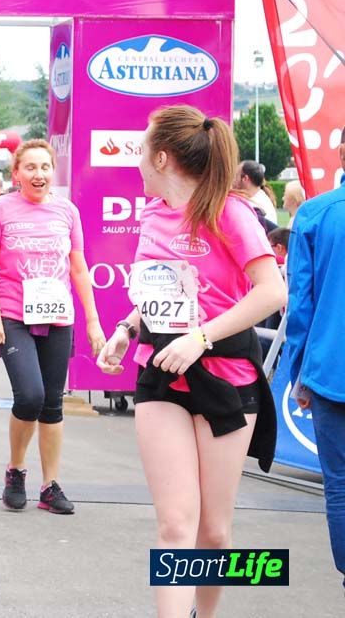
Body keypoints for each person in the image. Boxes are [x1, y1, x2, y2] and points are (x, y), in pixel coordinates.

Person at [97, 106, 285, 617]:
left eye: (141, 149)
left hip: (227, 379)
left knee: (213, 532)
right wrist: (126, 329)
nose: (136, 160)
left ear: (161, 157)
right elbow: (159, 293)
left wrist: (200, 338)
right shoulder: (152, 213)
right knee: (176, 524)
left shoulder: (231, 213)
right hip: (161, 374)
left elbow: (271, 292)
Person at [0, 139, 104, 516]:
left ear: (53, 172)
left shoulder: (67, 211)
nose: (39, 174)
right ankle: (15, 470)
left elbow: (78, 267)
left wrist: (93, 322)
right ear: (16, 174)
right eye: (30, 167)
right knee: (30, 396)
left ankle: (50, 485)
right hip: (14, 313)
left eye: (45, 167)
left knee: (52, 402)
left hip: (57, 315)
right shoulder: (0, 208)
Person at [283, 127, 345, 592]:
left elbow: (299, 305)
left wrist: (298, 373)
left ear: (341, 152)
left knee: (340, 484)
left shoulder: (315, 214)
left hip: (329, 371)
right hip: (327, 372)